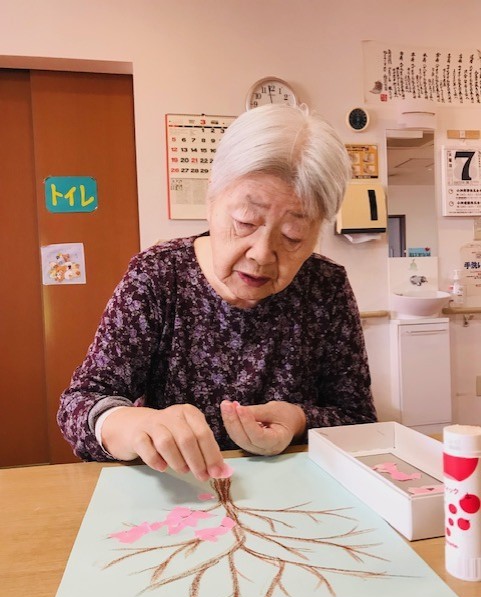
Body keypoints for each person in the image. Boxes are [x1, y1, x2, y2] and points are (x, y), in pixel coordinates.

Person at [58, 103, 377, 482]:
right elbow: (80, 403)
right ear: (211, 199)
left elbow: (358, 418)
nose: (262, 254)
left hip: (292, 492)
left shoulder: (325, 287)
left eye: (293, 236)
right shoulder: (159, 275)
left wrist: (298, 420)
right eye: (245, 221)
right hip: (178, 492)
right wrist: (128, 424)